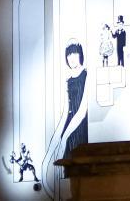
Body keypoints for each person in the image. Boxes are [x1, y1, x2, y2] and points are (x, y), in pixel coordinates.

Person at [42, 41, 89, 192]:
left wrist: (65, 136)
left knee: (77, 163)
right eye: (68, 54)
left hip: (80, 127)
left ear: (80, 54)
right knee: (63, 163)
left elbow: (82, 110)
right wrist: (57, 139)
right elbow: (65, 112)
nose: (71, 57)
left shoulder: (87, 75)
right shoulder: (67, 81)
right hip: (69, 123)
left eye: (74, 53)